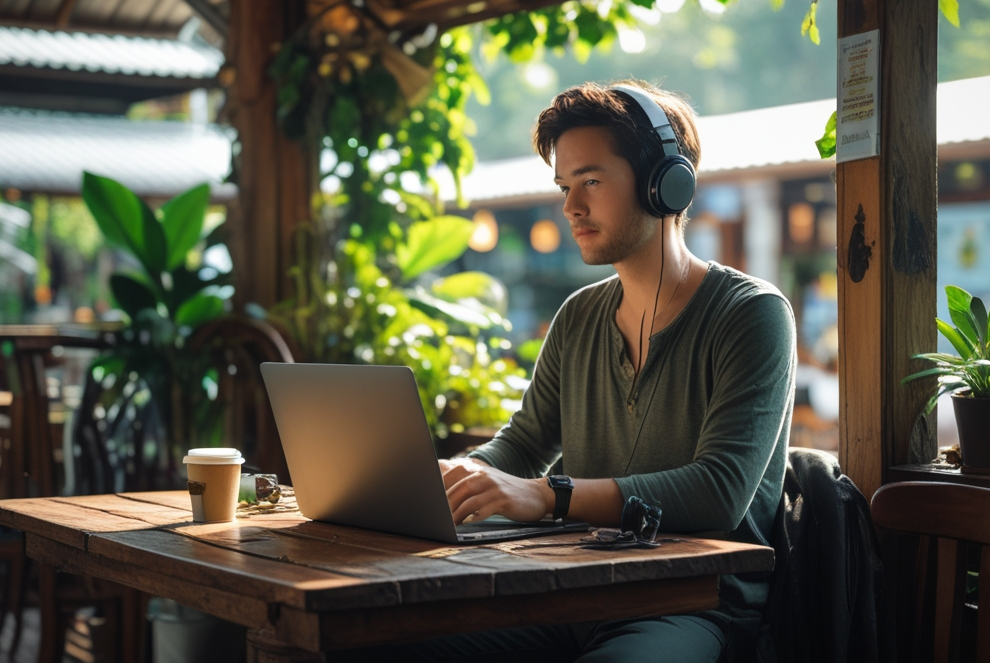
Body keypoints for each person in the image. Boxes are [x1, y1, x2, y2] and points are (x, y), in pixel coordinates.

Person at [339, 81, 795, 662]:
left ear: (664, 183)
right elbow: (525, 444)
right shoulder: (579, 315)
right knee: (370, 643)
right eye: (564, 186)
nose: (571, 207)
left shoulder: (752, 314)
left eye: (591, 182)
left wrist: (547, 496)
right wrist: (449, 480)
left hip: (689, 604)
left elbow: (718, 492)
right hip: (570, 593)